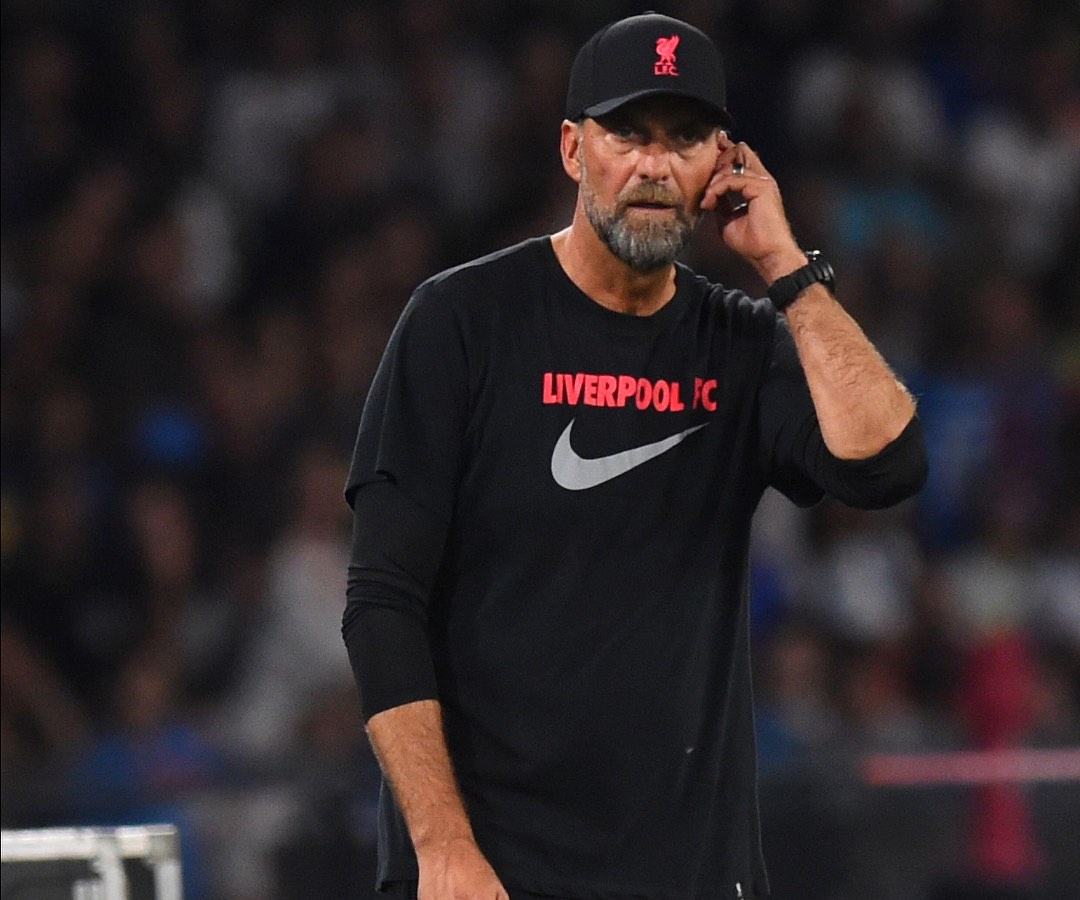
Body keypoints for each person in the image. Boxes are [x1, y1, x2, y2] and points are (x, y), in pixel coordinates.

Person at [340, 13, 926, 900]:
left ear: (723, 162)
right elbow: (383, 602)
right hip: (493, 872)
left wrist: (785, 265)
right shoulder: (461, 322)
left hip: (691, 874)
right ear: (573, 149)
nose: (655, 165)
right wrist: (443, 848)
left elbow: (888, 467)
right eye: (627, 134)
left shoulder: (743, 342)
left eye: (685, 138)